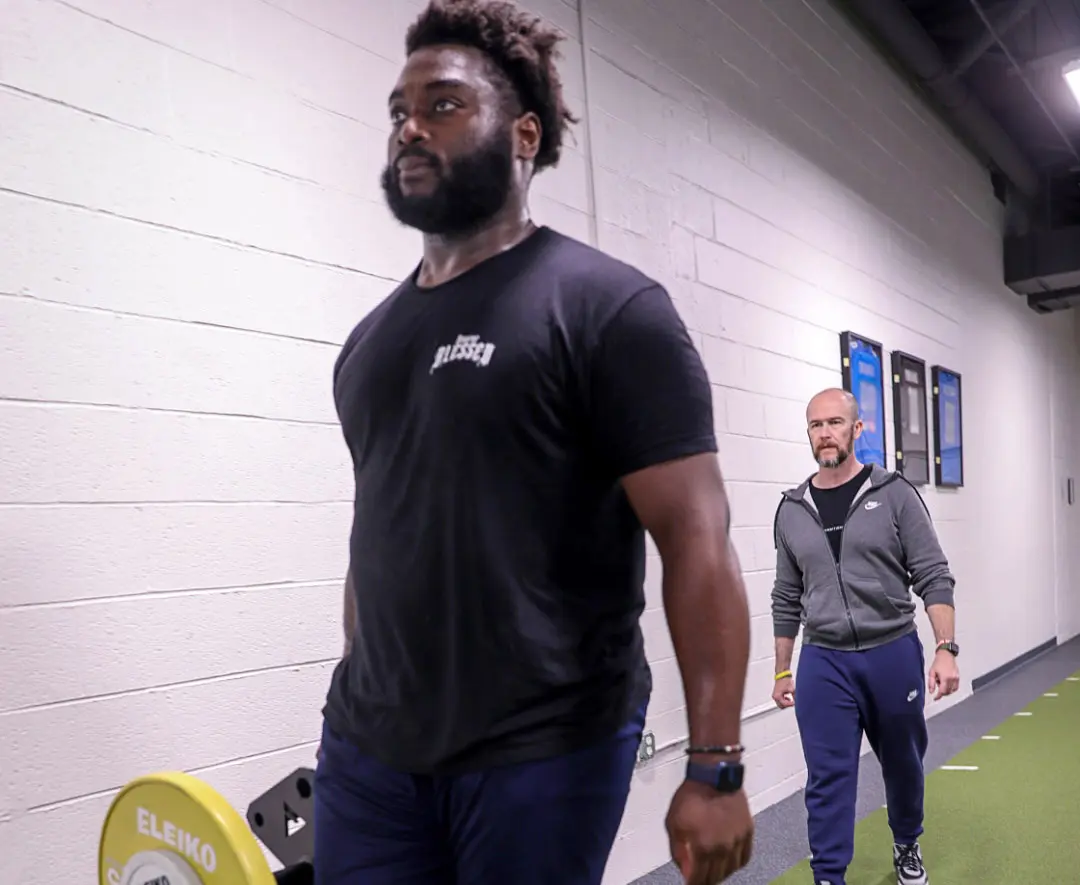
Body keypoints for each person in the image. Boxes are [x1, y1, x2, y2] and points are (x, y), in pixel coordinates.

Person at [312, 1, 755, 883]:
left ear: (523, 133)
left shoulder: (606, 309)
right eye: (399, 111)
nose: (408, 128)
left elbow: (696, 536)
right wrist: (359, 673)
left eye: (441, 105)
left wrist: (716, 764)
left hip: (541, 745)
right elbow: (380, 530)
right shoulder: (366, 343)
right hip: (369, 747)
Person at [770, 387, 961, 885]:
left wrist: (945, 649)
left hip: (891, 652)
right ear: (808, 434)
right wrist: (782, 668)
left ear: (857, 430)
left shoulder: (894, 493)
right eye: (816, 425)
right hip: (825, 660)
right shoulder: (791, 509)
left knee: (902, 762)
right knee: (828, 777)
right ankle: (828, 875)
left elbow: (933, 574)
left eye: (836, 423)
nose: (825, 433)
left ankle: (906, 844)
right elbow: (786, 597)